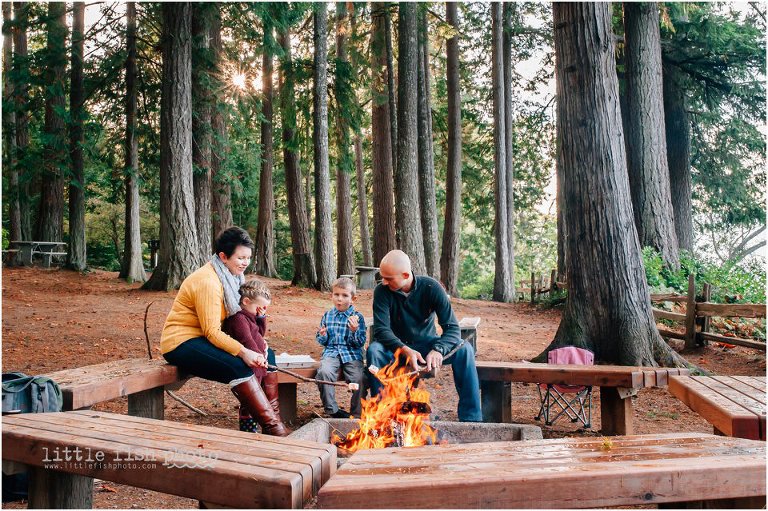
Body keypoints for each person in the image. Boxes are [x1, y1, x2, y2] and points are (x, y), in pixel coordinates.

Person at [161, 226, 288, 436]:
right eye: (240, 258)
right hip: (182, 342)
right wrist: (245, 352)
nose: (245, 262)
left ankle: (273, 422)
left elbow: (240, 320)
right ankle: (273, 429)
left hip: (205, 338)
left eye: (248, 257)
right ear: (223, 256)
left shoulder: (234, 278)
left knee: (268, 355)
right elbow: (212, 331)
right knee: (241, 366)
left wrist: (257, 342)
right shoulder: (208, 281)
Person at [367, 249, 482, 422]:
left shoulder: (431, 287)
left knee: (465, 349)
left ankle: (472, 418)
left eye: (388, 278)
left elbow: (452, 328)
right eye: (382, 277)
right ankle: (383, 417)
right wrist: (405, 350)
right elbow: (382, 331)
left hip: (426, 346)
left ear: (405, 274)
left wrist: (438, 350)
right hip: (395, 349)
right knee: (374, 350)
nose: (383, 282)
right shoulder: (381, 292)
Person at [222, 279, 280, 433]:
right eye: (258, 308)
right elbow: (247, 341)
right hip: (253, 363)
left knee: (262, 397)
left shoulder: (250, 316)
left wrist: (261, 318)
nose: (260, 311)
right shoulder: (239, 319)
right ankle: (249, 430)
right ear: (246, 301)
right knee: (251, 401)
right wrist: (260, 359)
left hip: (259, 360)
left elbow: (259, 334)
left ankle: (272, 423)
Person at [315, 277, 366, 418]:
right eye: (336, 295)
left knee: (360, 378)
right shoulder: (327, 315)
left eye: (344, 296)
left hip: (352, 354)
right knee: (324, 373)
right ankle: (332, 410)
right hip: (331, 353)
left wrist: (354, 331)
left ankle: (356, 414)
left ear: (353, 298)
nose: (339, 299)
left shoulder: (357, 318)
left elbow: (360, 342)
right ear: (331, 296)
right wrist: (323, 335)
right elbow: (322, 340)